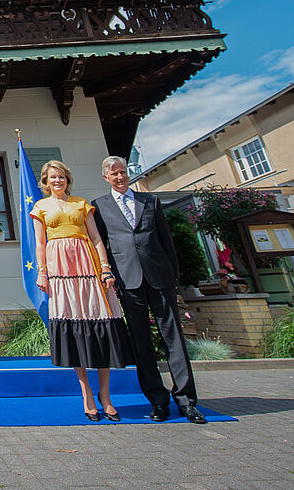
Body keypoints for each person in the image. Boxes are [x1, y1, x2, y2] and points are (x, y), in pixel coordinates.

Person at [91, 156, 207, 425]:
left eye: (123, 172)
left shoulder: (150, 201)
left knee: (174, 339)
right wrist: (109, 277)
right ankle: (157, 400)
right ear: (106, 177)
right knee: (141, 343)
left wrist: (173, 275)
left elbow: (166, 240)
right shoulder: (99, 206)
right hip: (128, 281)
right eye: (114, 173)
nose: (120, 177)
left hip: (159, 277)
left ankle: (186, 401)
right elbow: (102, 245)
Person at [31, 160, 133, 422]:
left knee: (100, 326)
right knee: (74, 329)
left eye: (61, 176)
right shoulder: (40, 207)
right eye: (53, 177)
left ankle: (106, 396)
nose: (57, 181)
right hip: (60, 271)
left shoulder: (81, 204)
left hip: (87, 267)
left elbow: (96, 238)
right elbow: (40, 243)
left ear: (67, 179)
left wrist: (105, 268)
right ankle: (87, 393)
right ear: (45, 181)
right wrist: (42, 272)